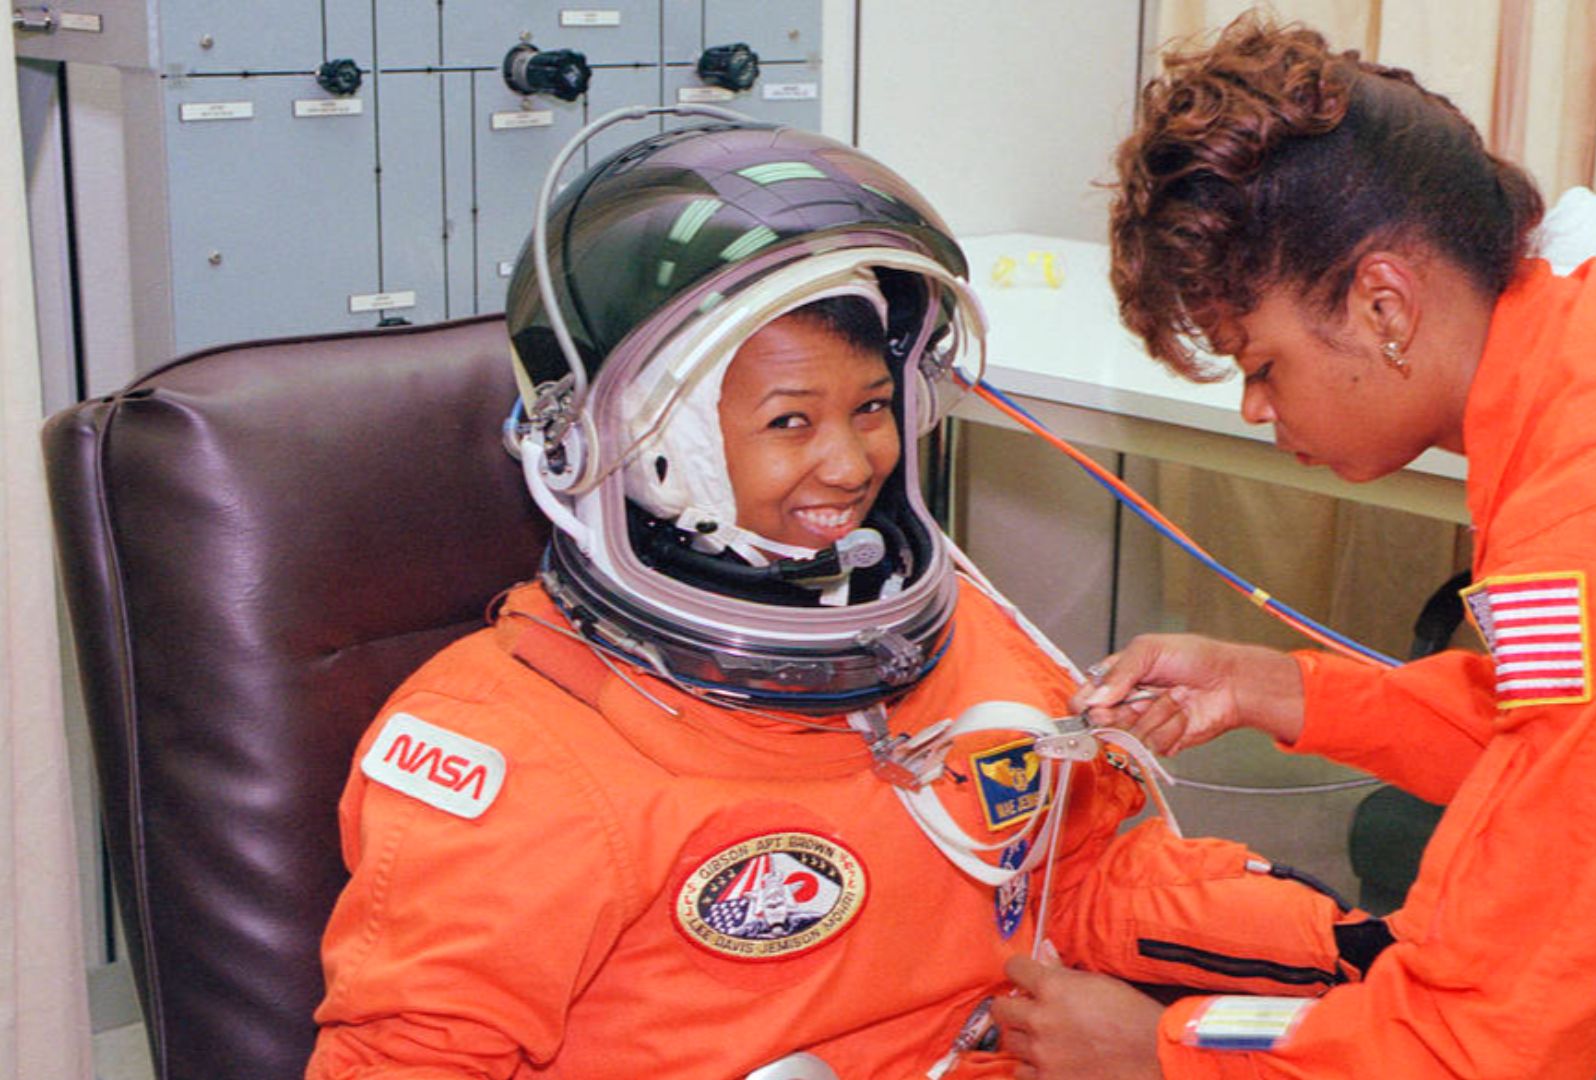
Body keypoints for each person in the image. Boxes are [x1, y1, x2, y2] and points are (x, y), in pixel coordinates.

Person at [304, 119, 1382, 1079]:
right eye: (788, 421)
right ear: (648, 445)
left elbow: (1088, 878)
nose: (849, 460)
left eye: (872, 406)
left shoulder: (968, 637)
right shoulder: (515, 750)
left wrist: (1355, 945)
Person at [990, 14, 1596, 1080]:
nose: (1255, 409)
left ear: (1385, 304)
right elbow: (1559, 742)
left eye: (1261, 362)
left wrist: (1160, 1056)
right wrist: (1275, 688)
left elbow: (1492, 1036)